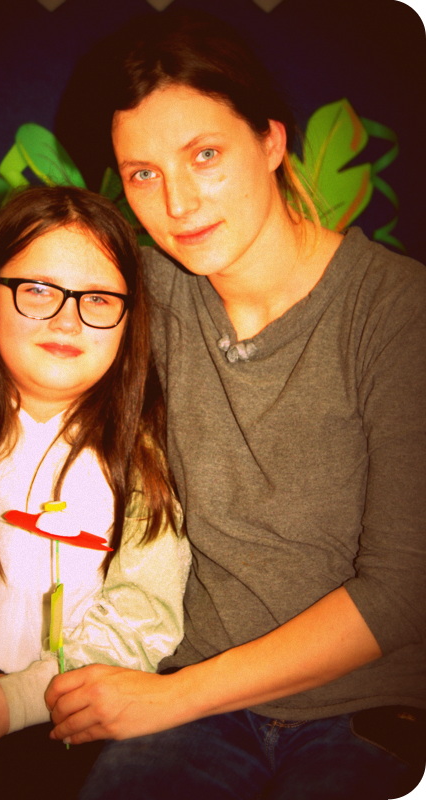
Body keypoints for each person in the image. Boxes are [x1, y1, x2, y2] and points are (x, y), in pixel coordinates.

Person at [44, 10, 426, 799]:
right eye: (142, 174)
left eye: (205, 155)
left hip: (371, 709)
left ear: (272, 142)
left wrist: (170, 698)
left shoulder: (396, 311)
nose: (178, 202)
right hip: (199, 709)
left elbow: (403, 591)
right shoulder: (145, 291)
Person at [0, 185, 190, 799]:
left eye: (98, 299)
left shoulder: (149, 449)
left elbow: (145, 611)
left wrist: (11, 703)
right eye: (37, 290)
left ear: (130, 317)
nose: (67, 320)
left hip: (66, 700)